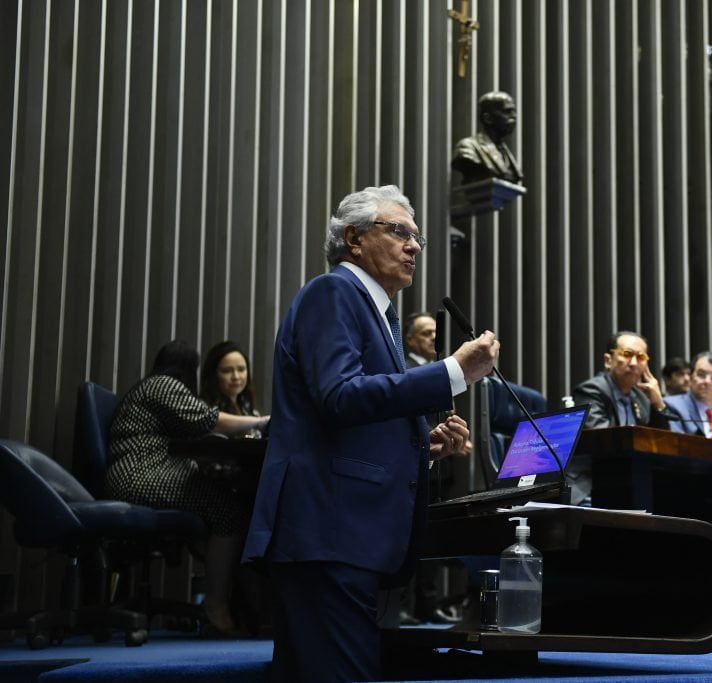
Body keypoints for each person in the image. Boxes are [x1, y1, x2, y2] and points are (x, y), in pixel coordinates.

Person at [242, 185, 498, 681]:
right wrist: (453, 372)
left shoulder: (378, 313)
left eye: (417, 237)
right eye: (399, 231)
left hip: (345, 536)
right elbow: (338, 395)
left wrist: (424, 446)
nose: (414, 245)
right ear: (354, 238)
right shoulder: (334, 292)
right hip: (328, 530)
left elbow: (353, 420)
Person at [106, 340, 270, 635]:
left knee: (227, 505)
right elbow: (208, 420)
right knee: (227, 512)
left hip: (140, 472)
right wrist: (261, 422)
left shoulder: (152, 386)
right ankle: (216, 604)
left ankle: (236, 604)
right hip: (139, 474)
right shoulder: (163, 385)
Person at [568, 331, 678, 504]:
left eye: (640, 357)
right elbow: (602, 439)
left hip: (629, 481)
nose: (633, 363)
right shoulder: (590, 390)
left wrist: (658, 403)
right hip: (592, 481)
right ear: (608, 360)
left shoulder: (642, 397)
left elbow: (662, 443)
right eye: (626, 354)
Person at [451, 91, 524, 185]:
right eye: (507, 112)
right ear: (488, 118)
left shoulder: (505, 152)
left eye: (514, 112)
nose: (514, 117)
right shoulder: (467, 147)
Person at [200, 340, 263, 437]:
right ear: (213, 375)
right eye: (227, 371)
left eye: (241, 369)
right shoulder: (202, 411)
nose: (236, 377)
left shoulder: (250, 410)